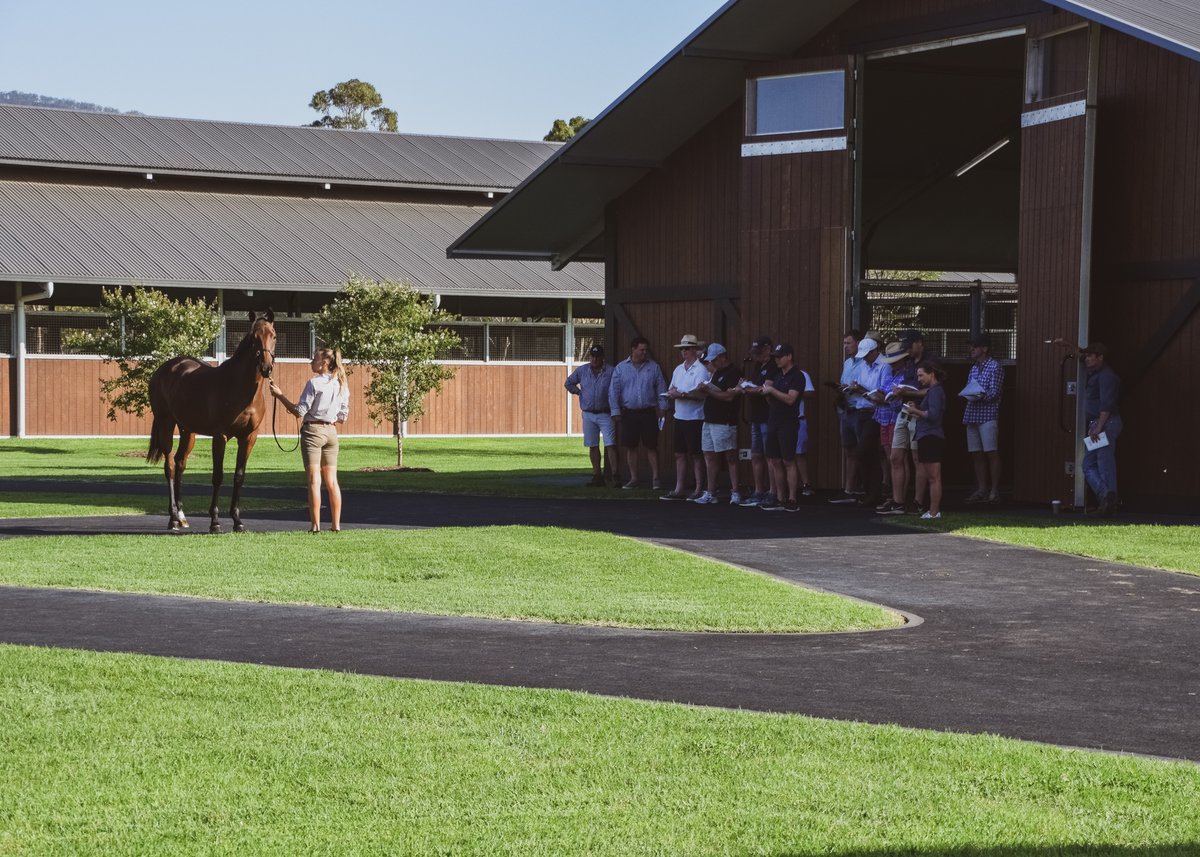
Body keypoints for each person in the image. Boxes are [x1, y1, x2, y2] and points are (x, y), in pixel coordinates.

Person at [268, 348, 350, 533]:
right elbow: (343, 417)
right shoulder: (341, 384)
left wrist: (279, 395)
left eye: (315, 359)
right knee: (332, 481)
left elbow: (299, 411)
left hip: (313, 431)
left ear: (325, 363)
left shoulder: (314, 383)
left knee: (314, 480)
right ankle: (336, 526)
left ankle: (315, 526)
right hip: (331, 432)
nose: (311, 362)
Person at [609, 336, 666, 490]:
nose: (644, 353)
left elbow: (661, 389)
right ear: (633, 349)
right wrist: (615, 411)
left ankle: (656, 478)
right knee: (631, 446)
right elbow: (613, 391)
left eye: (646, 350)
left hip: (649, 412)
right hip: (629, 413)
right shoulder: (621, 368)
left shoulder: (653, 367)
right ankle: (634, 478)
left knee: (651, 445)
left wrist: (663, 408)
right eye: (641, 350)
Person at [756, 343, 804, 511]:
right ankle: (779, 497)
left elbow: (791, 399)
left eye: (780, 357)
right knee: (775, 460)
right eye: (775, 357)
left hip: (788, 422)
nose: (777, 360)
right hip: (773, 420)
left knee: (788, 460)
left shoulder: (797, 376)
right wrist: (767, 393)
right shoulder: (777, 375)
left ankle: (792, 499)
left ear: (789, 356)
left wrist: (771, 391)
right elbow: (773, 398)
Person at [842, 337, 888, 509]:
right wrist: (853, 388)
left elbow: (881, 395)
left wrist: (860, 389)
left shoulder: (884, 366)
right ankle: (870, 493)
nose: (865, 358)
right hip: (861, 411)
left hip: (875, 413)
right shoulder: (863, 365)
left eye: (867, 355)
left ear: (875, 351)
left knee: (863, 452)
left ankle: (874, 492)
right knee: (868, 454)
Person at [662, 334, 709, 501]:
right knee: (679, 454)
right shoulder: (678, 369)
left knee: (696, 454)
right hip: (679, 416)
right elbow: (672, 388)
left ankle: (698, 488)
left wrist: (681, 394)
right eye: (682, 349)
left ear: (695, 350)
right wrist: (674, 393)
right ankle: (679, 488)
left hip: (695, 418)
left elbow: (700, 395)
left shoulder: (701, 370)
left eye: (687, 348)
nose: (684, 352)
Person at [694, 342, 742, 504]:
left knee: (730, 456)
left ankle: (735, 492)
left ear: (722, 357)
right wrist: (704, 389)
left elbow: (729, 397)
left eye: (714, 360)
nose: (712, 363)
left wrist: (709, 390)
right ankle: (711, 492)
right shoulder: (716, 372)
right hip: (709, 419)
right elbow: (717, 392)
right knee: (709, 456)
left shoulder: (733, 372)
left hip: (725, 420)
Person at [962, 333, 1004, 505]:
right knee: (976, 454)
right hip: (972, 415)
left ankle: (994, 490)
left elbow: (995, 392)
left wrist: (977, 394)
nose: (971, 349)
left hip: (988, 415)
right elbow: (968, 388)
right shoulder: (973, 368)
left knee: (991, 452)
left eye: (975, 346)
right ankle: (981, 489)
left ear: (985, 348)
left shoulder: (995, 367)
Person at [565, 345, 615, 487]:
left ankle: (615, 475)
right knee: (592, 445)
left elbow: (618, 387)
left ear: (602, 358)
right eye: (592, 356)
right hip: (588, 413)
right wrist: (579, 393)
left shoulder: (611, 371)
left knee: (610, 444)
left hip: (606, 413)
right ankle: (597, 475)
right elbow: (568, 383)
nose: (594, 359)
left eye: (597, 357)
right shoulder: (582, 370)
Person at [1080, 342, 1121, 516]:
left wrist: (1099, 426)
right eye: (1086, 356)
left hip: (1104, 423)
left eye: (1090, 356)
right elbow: (1079, 354)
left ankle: (1108, 500)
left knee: (1102, 464)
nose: (1087, 359)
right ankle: (1107, 497)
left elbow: (1106, 405)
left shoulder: (1106, 377)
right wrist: (1066, 344)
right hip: (1099, 424)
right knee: (1090, 464)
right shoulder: (1098, 373)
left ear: (1100, 358)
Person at [903, 360, 946, 520]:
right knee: (932, 476)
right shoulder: (933, 391)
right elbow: (929, 412)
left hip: (930, 436)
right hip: (926, 435)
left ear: (931, 374)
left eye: (921, 375)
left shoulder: (935, 391)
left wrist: (915, 411)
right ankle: (933, 510)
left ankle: (934, 511)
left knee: (934, 477)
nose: (919, 379)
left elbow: (933, 415)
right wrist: (917, 408)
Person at [739, 336, 779, 507]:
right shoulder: (758, 366)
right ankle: (758, 490)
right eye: (754, 353)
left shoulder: (773, 366)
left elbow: (764, 389)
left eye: (759, 353)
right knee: (756, 454)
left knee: (770, 456)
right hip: (755, 416)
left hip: (768, 416)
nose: (756, 356)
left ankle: (773, 492)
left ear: (768, 350)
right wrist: (747, 386)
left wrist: (746, 389)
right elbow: (756, 386)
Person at [874, 341, 911, 515]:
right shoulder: (890, 374)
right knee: (891, 458)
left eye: (895, 361)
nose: (892, 364)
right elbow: (882, 392)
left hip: (897, 418)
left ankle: (901, 497)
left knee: (899, 458)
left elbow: (897, 399)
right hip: (884, 418)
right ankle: (895, 496)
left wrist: (885, 398)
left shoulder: (906, 375)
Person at [828, 330, 863, 504]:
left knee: (864, 449)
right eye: (844, 343)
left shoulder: (865, 363)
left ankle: (866, 488)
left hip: (861, 409)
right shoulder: (847, 363)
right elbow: (844, 384)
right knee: (849, 450)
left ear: (858, 343)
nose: (845, 347)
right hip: (847, 409)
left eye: (848, 343)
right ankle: (849, 489)